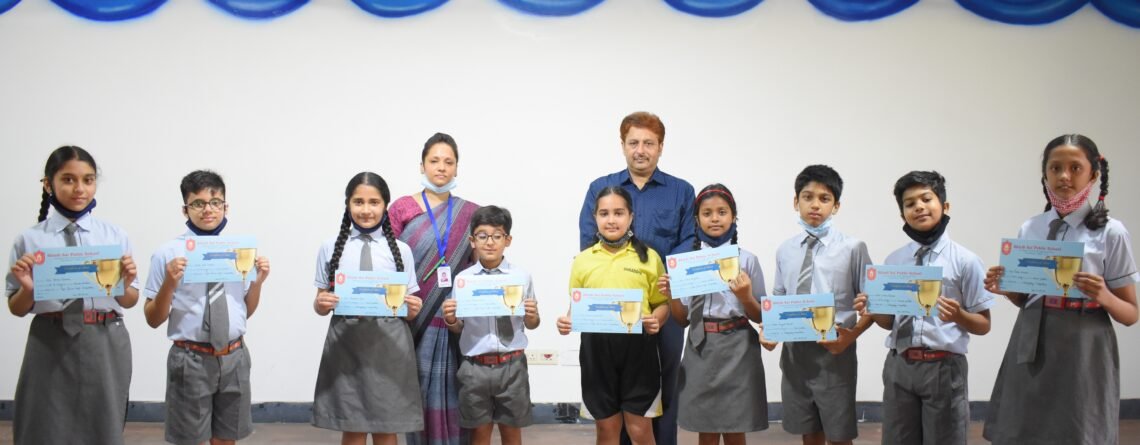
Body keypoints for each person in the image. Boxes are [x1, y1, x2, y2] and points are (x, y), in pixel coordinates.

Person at [983, 134, 1137, 445]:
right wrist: (1008, 289)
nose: (1064, 176)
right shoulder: (1031, 228)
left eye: (1075, 168)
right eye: (1055, 168)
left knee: (1079, 429)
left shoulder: (1111, 232)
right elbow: (1027, 299)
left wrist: (1104, 296)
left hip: (1084, 342)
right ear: (1045, 175)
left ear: (1093, 175)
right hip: (1031, 337)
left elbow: (1131, 314)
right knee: (1024, 428)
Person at [6, 145, 140, 444]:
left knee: (103, 427)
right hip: (49, 339)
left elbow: (129, 300)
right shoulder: (30, 239)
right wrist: (28, 288)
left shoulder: (114, 236)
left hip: (105, 337)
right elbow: (16, 307)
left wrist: (126, 283)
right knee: (44, 426)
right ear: (48, 184)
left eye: (88, 180)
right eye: (68, 179)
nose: (79, 188)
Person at [577, 111, 694, 445]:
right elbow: (588, 240)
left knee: (665, 382)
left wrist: (654, 275)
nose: (640, 150)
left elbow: (689, 240)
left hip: (661, 303)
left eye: (648, 143)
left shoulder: (681, 191)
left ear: (661, 147)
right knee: (616, 390)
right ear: (623, 145)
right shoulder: (601, 188)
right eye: (633, 143)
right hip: (613, 309)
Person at [853, 170, 993, 445]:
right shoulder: (894, 261)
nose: (918, 207)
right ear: (902, 214)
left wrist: (959, 315)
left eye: (926, 199)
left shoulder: (965, 261)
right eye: (909, 203)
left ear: (945, 205)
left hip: (943, 367)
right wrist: (873, 308)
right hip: (899, 365)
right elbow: (889, 322)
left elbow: (984, 324)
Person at [143, 170, 271, 445]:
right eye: (198, 203)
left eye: (215, 202)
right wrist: (169, 283)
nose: (208, 209)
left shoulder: (239, 252)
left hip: (234, 356)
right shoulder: (168, 253)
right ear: (185, 209)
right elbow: (152, 318)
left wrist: (258, 283)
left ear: (226, 206)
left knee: (226, 439)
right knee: (192, 440)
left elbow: (244, 311)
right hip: (192, 359)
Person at [311, 172, 425, 445]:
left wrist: (414, 307)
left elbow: (408, 309)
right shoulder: (330, 247)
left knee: (387, 426)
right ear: (348, 205)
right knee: (353, 427)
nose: (366, 210)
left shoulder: (401, 250)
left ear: (385, 205)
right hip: (346, 345)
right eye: (358, 202)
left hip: (390, 347)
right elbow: (320, 303)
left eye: (374, 202)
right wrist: (321, 303)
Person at [389, 132, 481, 445]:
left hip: (454, 317)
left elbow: (478, 266)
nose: (441, 167)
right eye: (434, 161)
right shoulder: (402, 208)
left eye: (448, 162)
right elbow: (389, 261)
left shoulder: (472, 213)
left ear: (456, 168)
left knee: (456, 387)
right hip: (413, 316)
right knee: (416, 387)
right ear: (422, 165)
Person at [560, 186, 671, 445]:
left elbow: (661, 304)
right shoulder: (583, 260)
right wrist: (567, 321)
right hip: (596, 350)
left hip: (639, 351)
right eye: (604, 213)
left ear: (631, 217)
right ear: (595, 217)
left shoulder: (650, 258)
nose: (611, 220)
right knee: (606, 430)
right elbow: (576, 306)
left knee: (640, 430)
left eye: (619, 213)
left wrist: (657, 320)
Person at [771, 164, 873, 445]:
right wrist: (770, 332)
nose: (815, 204)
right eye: (808, 197)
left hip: (835, 351)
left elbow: (874, 304)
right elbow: (778, 299)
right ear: (796, 202)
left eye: (824, 198)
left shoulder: (853, 248)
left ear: (836, 206)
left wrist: (850, 336)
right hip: (795, 352)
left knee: (838, 434)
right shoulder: (785, 250)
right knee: (808, 430)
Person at [663, 184, 770, 444]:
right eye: (707, 213)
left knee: (735, 427)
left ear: (733, 217)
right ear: (696, 219)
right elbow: (681, 319)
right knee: (706, 428)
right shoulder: (687, 263)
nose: (714, 219)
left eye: (722, 212)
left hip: (739, 348)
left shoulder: (747, 260)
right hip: (701, 346)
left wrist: (745, 296)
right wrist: (672, 293)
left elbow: (761, 316)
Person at [442, 205, 540, 445]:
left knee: (512, 432)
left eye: (497, 236)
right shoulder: (464, 280)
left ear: (508, 240)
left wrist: (532, 316)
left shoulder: (521, 277)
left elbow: (532, 323)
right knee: (479, 433)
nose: (489, 242)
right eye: (482, 236)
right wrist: (451, 319)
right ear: (472, 241)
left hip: (512, 365)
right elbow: (458, 327)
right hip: (475, 367)